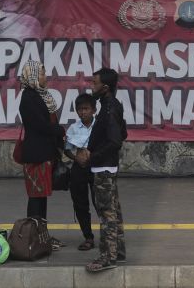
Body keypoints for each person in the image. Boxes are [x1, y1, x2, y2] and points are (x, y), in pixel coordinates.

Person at [78, 68, 127, 272]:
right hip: (106, 165)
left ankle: (107, 256)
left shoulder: (109, 109)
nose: (91, 86)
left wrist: (91, 156)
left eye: (94, 83)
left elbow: (116, 140)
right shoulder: (111, 105)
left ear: (105, 88)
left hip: (104, 167)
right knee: (114, 210)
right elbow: (123, 132)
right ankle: (119, 251)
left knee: (106, 214)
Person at [18, 59, 66, 251]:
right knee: (36, 197)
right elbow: (40, 126)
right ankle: (33, 236)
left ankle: (42, 235)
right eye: (42, 74)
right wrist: (59, 130)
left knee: (42, 196)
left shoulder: (40, 95)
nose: (46, 77)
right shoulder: (29, 98)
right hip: (36, 155)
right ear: (33, 77)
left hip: (45, 153)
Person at [64, 93, 97, 251]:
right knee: (80, 204)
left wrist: (92, 156)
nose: (83, 112)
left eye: (86, 109)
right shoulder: (73, 128)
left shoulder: (99, 126)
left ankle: (109, 236)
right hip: (79, 168)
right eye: (80, 109)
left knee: (101, 203)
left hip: (97, 166)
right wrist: (76, 158)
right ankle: (88, 236)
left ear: (94, 110)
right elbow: (67, 150)